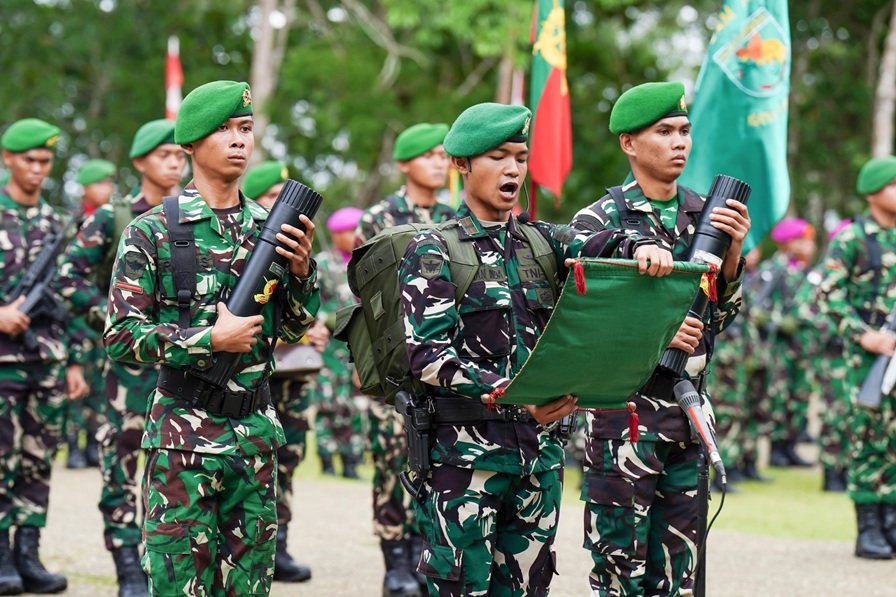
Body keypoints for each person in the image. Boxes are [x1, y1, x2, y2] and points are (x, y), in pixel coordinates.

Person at [399, 102, 673, 596]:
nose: (513, 170)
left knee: (529, 589)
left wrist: (637, 247)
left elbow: (599, 243)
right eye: (499, 157)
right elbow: (427, 357)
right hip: (465, 465)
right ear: (462, 164)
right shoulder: (433, 248)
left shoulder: (544, 242)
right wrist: (510, 393)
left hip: (538, 462)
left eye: (520, 158)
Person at [104, 81, 320, 595]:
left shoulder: (277, 227)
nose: (238, 139)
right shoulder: (151, 230)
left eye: (245, 129)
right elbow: (120, 336)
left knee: (249, 587)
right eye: (223, 130)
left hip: (254, 436)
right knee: (179, 585)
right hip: (183, 438)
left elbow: (291, 329)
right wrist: (208, 340)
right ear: (192, 144)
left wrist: (304, 272)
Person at [569, 82, 751, 596]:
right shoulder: (598, 220)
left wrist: (733, 254)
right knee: (620, 571)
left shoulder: (707, 213)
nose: (680, 142)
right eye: (664, 131)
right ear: (629, 144)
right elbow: (582, 323)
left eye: (685, 131)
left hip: (688, 417)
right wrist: (655, 328)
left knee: (679, 574)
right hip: (623, 420)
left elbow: (722, 314)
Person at [56, 118, 185, 597]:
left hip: (182, 367)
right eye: (163, 155)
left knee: (177, 469)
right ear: (139, 162)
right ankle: (127, 565)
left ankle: (165, 564)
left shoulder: (190, 214)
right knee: (121, 463)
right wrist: (107, 319)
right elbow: (68, 277)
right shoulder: (113, 217)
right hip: (126, 372)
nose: (174, 162)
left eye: (179, 154)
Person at [355, 122, 454, 596]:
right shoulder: (380, 216)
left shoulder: (457, 214)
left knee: (439, 463)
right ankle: (395, 559)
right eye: (428, 154)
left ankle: (423, 553)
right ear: (404, 164)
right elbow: (367, 296)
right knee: (394, 461)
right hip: (396, 363)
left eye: (443, 153)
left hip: (443, 362)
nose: (439, 161)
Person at [0, 118, 73, 594]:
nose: (38, 170)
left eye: (45, 162)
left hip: (46, 360)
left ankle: (28, 552)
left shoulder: (53, 223)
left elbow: (71, 292)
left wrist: (76, 362)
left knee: (37, 458)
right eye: (29, 160)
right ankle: (1, 557)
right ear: (8, 159)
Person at [814, 156, 896, 560]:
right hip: (868, 361)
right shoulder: (853, 238)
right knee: (868, 439)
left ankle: (891, 523)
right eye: (893, 185)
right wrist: (864, 335)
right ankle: (868, 528)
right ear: (872, 192)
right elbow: (828, 294)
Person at [241, 159, 318, 583]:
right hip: (252, 379)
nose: (281, 209)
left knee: (285, 462)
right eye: (272, 198)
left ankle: (279, 544)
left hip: (292, 382)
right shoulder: (244, 246)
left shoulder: (296, 248)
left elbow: (303, 313)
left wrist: (314, 329)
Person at [64, 158, 117, 470]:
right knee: (75, 380)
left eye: (110, 183)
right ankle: (72, 446)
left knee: (100, 381)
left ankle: (93, 442)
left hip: (103, 315)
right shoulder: (70, 225)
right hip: (75, 316)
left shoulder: (112, 223)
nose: (107, 189)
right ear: (85, 187)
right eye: (101, 183)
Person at [310, 206, 366, 479]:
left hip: (358, 348)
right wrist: (329, 320)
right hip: (329, 349)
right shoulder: (322, 264)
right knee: (328, 403)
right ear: (335, 234)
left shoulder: (366, 263)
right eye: (349, 231)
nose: (355, 236)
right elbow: (310, 307)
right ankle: (326, 457)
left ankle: (352, 459)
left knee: (355, 405)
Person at [760, 217, 817, 468]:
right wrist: (781, 321)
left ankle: (791, 446)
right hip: (779, 346)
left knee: (799, 396)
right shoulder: (774, 270)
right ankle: (777, 449)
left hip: (802, 346)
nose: (809, 246)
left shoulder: (805, 272)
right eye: (803, 240)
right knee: (780, 396)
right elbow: (757, 307)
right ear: (788, 243)